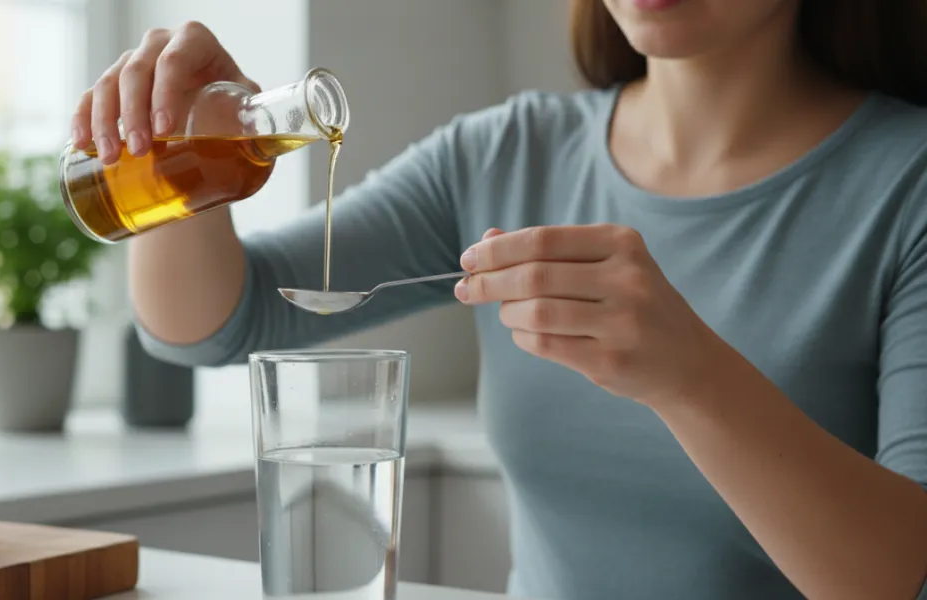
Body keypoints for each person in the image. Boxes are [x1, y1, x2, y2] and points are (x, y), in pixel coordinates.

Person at [71, 1, 927, 598]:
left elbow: (898, 577)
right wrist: (175, 149)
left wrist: (691, 375)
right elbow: (220, 325)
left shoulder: (908, 187)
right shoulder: (503, 155)